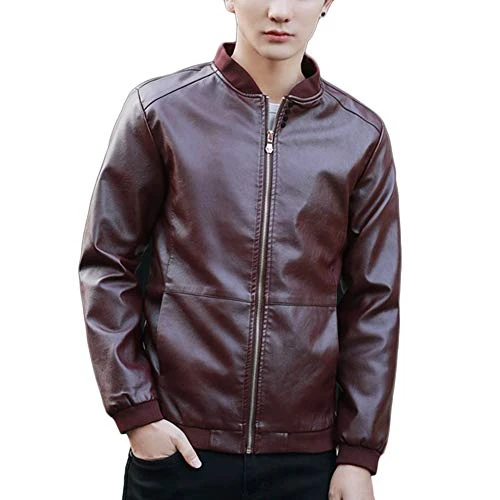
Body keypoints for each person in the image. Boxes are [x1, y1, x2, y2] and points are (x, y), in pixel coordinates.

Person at [77, 1, 402, 498]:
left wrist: (359, 455)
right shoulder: (161, 111)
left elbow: (373, 302)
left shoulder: (360, 137)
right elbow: (106, 264)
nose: (279, 11)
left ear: (327, 2)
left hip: (307, 463)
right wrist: (138, 415)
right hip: (180, 449)